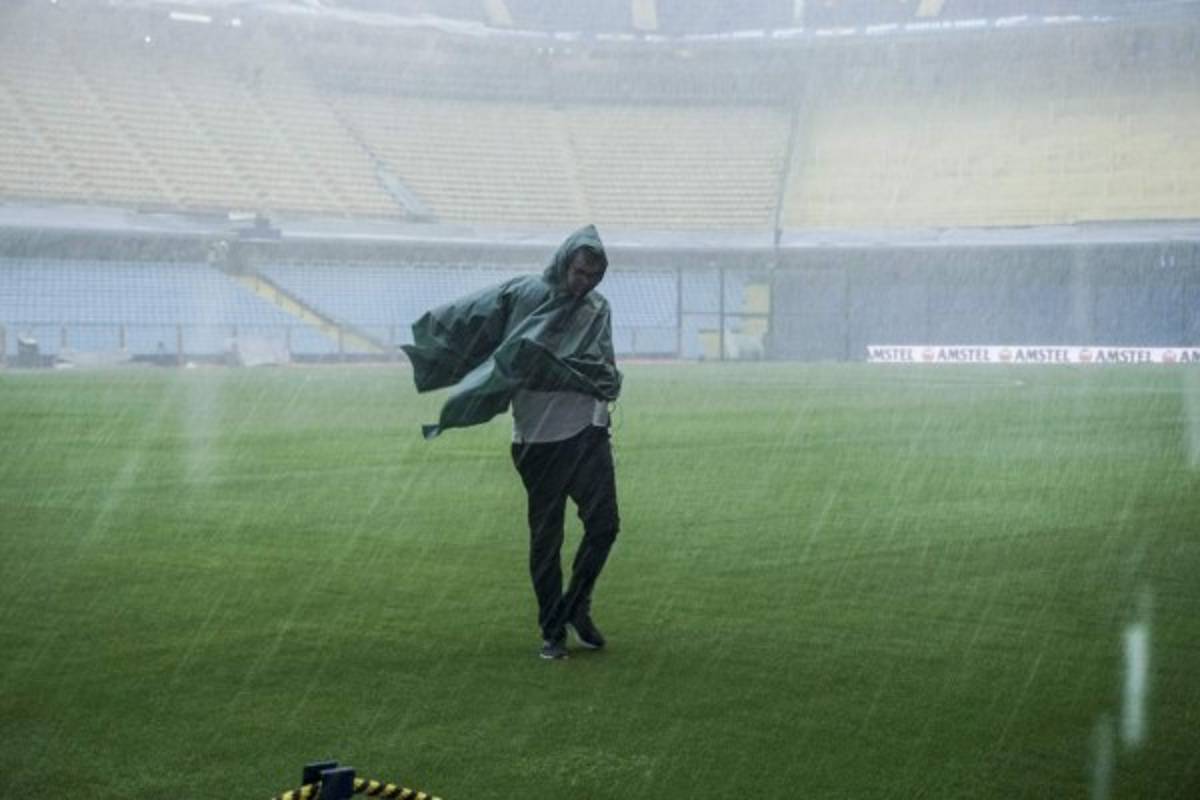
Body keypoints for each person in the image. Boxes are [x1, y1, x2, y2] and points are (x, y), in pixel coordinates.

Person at [402, 225, 622, 660]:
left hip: (589, 434)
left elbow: (599, 363)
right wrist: (438, 345)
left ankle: (576, 606)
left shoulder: (597, 308)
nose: (585, 283)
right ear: (565, 263)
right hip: (538, 440)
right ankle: (552, 630)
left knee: (605, 526)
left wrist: (596, 378)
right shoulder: (526, 294)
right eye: (580, 272)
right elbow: (481, 323)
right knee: (547, 538)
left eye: (594, 277)